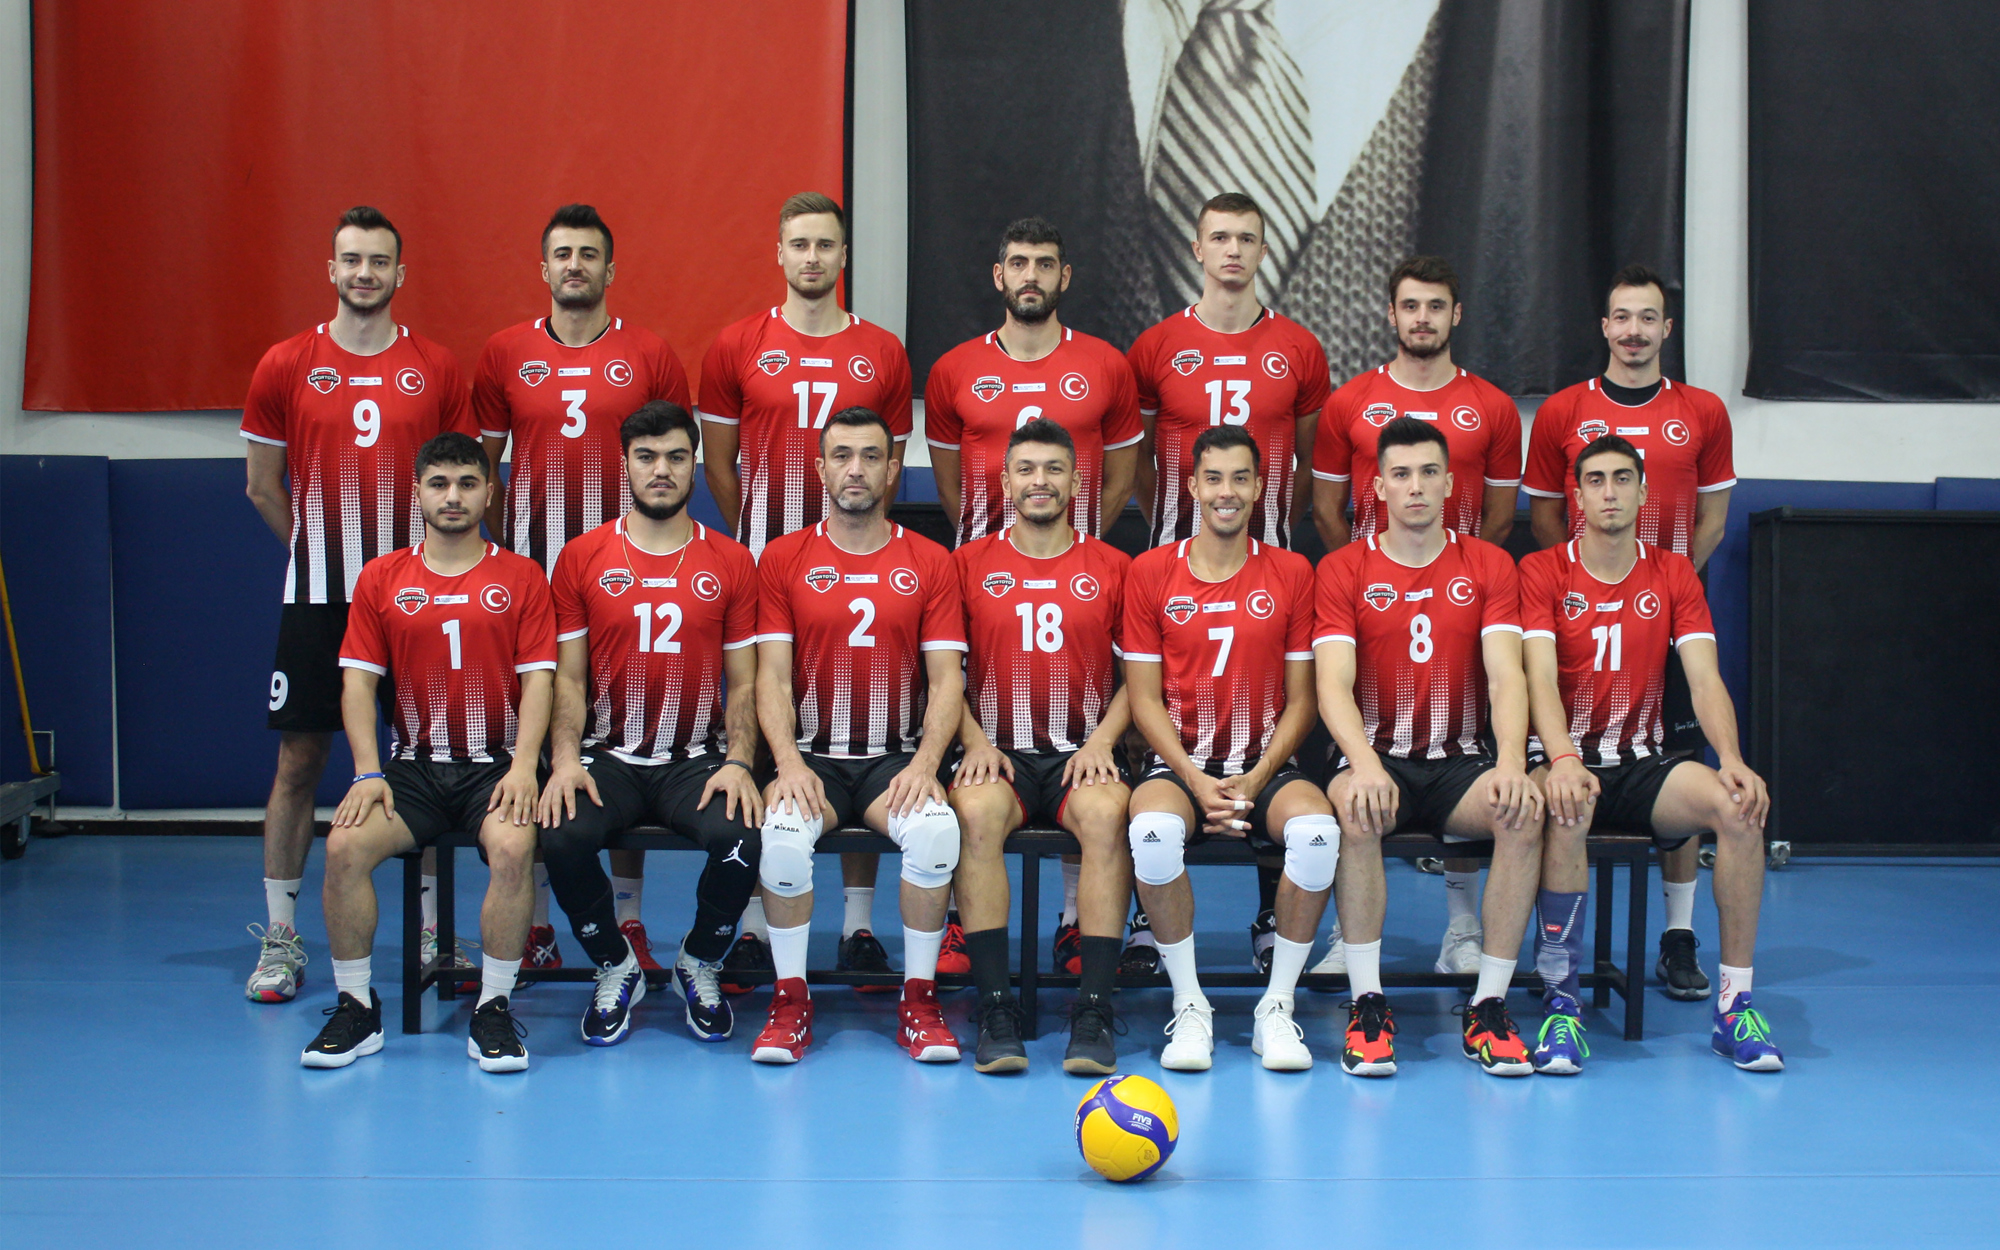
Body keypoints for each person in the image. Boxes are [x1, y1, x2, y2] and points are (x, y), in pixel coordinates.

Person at [240, 206, 477, 1004]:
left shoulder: (435, 367)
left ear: (399, 274)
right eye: (351, 260)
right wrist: (318, 553)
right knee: (300, 761)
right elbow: (262, 487)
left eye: (379, 261)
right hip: (319, 599)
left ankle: (434, 932)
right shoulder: (286, 363)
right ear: (332, 269)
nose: (364, 273)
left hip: (419, 602)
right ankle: (281, 938)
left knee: (431, 763)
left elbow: (461, 481)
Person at [475, 203, 693, 984]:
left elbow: (670, 456)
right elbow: (484, 470)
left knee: (621, 742)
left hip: (621, 580)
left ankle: (627, 919)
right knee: (533, 744)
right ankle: (535, 922)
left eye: (589, 254)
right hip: (534, 582)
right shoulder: (505, 352)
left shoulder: (650, 353)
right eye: (563, 253)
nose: (575, 265)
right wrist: (519, 555)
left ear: (610, 269)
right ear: (544, 268)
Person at [700, 194, 914, 983]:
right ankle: (757, 925)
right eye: (800, 244)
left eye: (826, 245)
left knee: (857, 727)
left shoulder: (882, 350)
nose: (813, 257)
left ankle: (858, 926)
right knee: (767, 727)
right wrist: (761, 538)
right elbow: (719, 463)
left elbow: (888, 464)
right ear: (780, 253)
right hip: (766, 566)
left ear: (843, 255)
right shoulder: (737, 345)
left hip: (856, 561)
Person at [1520, 435, 1780, 1073]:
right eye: (1596, 480)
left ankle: (1735, 1005)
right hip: (1562, 760)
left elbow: (1704, 678)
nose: (1609, 492)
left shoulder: (1672, 573)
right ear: (1577, 496)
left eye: (1622, 479)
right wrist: (1562, 758)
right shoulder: (1543, 570)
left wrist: (1732, 758)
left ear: (1642, 492)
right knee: (1568, 808)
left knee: (1739, 808)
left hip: (1642, 763)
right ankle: (1561, 1005)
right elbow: (1537, 679)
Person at [1126, 189, 1333, 977]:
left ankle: (1269, 915)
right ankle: (1146, 923)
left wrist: (1267, 526)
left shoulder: (1299, 349)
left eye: (1247, 237)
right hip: (1176, 566)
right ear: (1198, 248)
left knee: (1267, 728)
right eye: (1220, 237)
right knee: (1162, 725)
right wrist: (1175, 527)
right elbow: (1139, 460)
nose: (1234, 251)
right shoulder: (1157, 346)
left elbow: (1303, 459)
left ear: (1263, 248)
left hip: (1268, 565)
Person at [300, 433, 555, 1071]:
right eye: (439, 484)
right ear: (417, 493)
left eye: (467, 483)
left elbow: (540, 681)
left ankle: (493, 1009)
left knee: (514, 849)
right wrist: (366, 773)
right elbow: (358, 683)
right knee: (343, 848)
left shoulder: (522, 576)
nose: (453, 496)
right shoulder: (382, 577)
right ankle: (357, 1007)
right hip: (412, 768)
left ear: (489, 493)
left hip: (496, 767)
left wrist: (526, 766)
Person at [1523, 265, 1737, 1002]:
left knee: (1680, 761)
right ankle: (1557, 965)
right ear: (1605, 327)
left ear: (1666, 329)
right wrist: (1595, 582)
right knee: (1565, 775)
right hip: (1581, 609)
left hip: (1667, 612)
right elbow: (1546, 519)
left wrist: (1662, 588)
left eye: (1648, 318)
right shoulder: (1563, 410)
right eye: (1622, 317)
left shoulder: (1703, 410)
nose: (1634, 331)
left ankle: (1678, 934)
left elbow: (1713, 517)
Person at [1308, 255, 1523, 980]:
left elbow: (1499, 519)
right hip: (1373, 611)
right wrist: (1375, 580)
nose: (1423, 318)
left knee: (1490, 777)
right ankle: (1355, 951)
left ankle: (1470, 942)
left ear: (1455, 314)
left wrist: (1453, 576)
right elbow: (1326, 510)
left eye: (1436, 305)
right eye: (1410, 305)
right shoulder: (1350, 402)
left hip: (1462, 600)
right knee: (1358, 793)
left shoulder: (1491, 407)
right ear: (1391, 314)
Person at [1314, 417, 1542, 1078]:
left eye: (1428, 472)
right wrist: (1363, 764)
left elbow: (1506, 676)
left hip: (1459, 762)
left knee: (1523, 812)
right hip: (1376, 755)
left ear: (1449, 483)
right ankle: (1367, 1004)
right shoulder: (1344, 568)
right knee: (1356, 808)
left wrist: (1510, 764)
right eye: (1402, 474)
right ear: (1378, 487)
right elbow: (1332, 685)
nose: (1415, 486)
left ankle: (1489, 1005)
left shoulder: (1489, 564)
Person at [536, 402, 762, 1047]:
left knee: (745, 834)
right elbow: (568, 679)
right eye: (646, 457)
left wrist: (739, 762)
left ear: (694, 464)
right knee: (561, 834)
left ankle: (699, 958)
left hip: (695, 759)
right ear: (625, 463)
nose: (661, 470)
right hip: (607, 756)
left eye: (676, 457)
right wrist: (565, 760)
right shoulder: (581, 557)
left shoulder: (731, 560)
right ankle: (616, 964)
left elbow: (745, 682)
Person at [749, 407, 967, 1064]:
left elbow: (947, 679)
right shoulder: (784, 557)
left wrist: (926, 764)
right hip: (812, 758)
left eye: (871, 456)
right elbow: (771, 676)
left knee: (937, 833)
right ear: (819, 468)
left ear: (893, 469)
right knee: (781, 840)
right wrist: (787, 763)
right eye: (842, 455)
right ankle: (790, 1001)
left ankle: (919, 1002)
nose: (856, 469)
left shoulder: (929, 560)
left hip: (892, 760)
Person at [1121, 425, 1336, 1072]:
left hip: (1266, 767)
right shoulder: (1151, 571)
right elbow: (1143, 700)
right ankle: (1191, 1005)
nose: (1227, 491)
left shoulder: (1292, 572)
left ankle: (1277, 1007)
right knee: (1153, 832)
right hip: (1178, 766)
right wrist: (1194, 778)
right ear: (1191, 486)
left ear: (1261, 487)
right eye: (1213, 478)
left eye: (1241, 478)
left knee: (1319, 835)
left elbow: (1303, 700)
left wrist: (1256, 778)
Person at [948, 419, 1135, 1075]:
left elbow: (1140, 679)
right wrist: (972, 739)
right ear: (1004, 482)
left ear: (1077, 482)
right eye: (1026, 469)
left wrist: (1103, 740)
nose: (1040, 481)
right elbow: (940, 674)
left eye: (1054, 469)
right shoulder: (966, 564)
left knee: (1109, 815)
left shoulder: (1114, 567)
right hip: (996, 751)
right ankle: (995, 1008)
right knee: (975, 813)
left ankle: (1094, 1010)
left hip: (1081, 752)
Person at [924, 216, 1143, 547]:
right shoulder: (952, 369)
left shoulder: (1108, 365)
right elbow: (949, 488)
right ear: (999, 275)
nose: (1031, 276)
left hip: (1078, 565)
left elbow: (1120, 484)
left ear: (1064, 277)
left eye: (1045, 264)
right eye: (1018, 263)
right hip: (983, 565)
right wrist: (988, 549)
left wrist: (1077, 545)